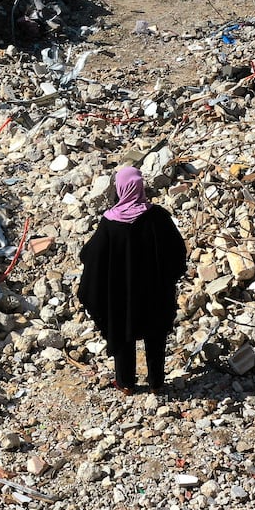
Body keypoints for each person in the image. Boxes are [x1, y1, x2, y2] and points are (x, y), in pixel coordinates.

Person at [78, 166, 187, 391]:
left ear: (120, 188)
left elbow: (91, 255)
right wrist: (167, 278)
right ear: (140, 186)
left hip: (121, 297)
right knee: (155, 337)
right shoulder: (157, 217)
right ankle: (156, 383)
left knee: (122, 333)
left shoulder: (109, 223)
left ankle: (126, 383)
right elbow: (177, 252)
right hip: (154, 294)